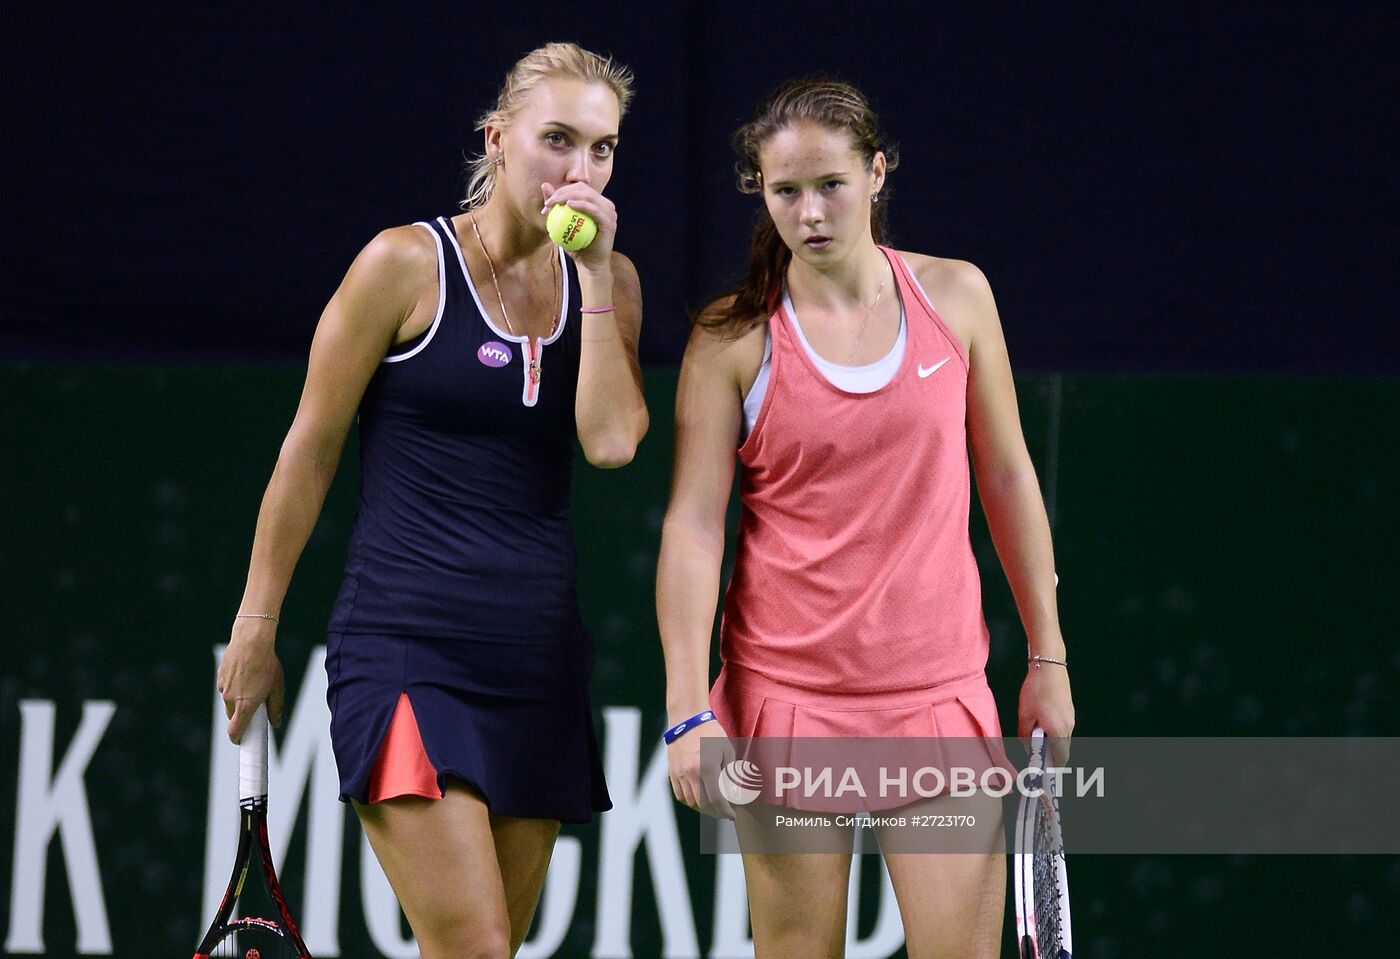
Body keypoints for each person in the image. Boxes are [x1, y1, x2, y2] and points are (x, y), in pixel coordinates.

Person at [215, 42, 647, 959]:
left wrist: (598, 278)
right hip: (405, 650)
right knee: (474, 946)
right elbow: (310, 448)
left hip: (538, 663)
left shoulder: (610, 284)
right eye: (557, 139)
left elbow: (612, 443)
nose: (580, 168)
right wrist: (257, 622)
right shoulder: (403, 263)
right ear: (497, 138)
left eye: (602, 148)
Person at [656, 77, 1074, 957]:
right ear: (761, 192)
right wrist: (687, 707)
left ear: (877, 173)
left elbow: (1007, 477)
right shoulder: (733, 339)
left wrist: (1049, 655)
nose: (810, 213)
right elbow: (693, 527)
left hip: (938, 697)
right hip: (786, 701)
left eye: (831, 185)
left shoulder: (957, 297)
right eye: (786, 191)